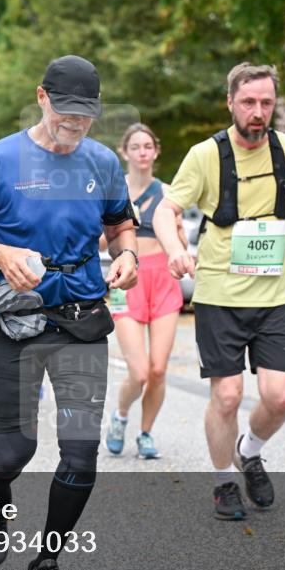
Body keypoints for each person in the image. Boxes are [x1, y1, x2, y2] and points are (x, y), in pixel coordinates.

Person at [0, 55, 138, 570]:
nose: (75, 121)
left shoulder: (103, 161)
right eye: (66, 109)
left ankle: (47, 563)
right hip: (14, 320)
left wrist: (127, 255)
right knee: (13, 450)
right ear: (42, 98)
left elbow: (120, 223)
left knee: (80, 454)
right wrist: (1, 254)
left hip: (81, 319)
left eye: (86, 113)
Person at [152, 62, 285, 521]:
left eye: (266, 103)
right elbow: (165, 210)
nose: (258, 111)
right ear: (231, 102)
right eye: (249, 102)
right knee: (228, 395)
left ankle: (248, 451)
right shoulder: (205, 155)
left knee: (280, 397)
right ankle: (223, 482)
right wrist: (175, 249)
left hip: (276, 295)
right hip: (220, 293)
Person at [104, 123, 188, 460]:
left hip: (163, 279)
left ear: (156, 151)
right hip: (128, 278)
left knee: (157, 370)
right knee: (138, 372)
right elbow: (101, 241)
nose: (142, 152)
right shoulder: (115, 190)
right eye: (136, 147)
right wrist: (121, 228)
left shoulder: (168, 193)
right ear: (124, 152)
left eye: (148, 146)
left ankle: (146, 433)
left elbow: (181, 244)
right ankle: (121, 415)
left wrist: (179, 235)